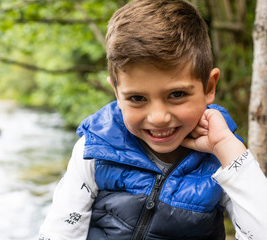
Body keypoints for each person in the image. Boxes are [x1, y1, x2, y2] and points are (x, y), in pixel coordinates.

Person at [38, 0, 267, 239]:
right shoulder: (95, 149)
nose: (158, 118)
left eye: (177, 94)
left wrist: (227, 148)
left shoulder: (221, 159)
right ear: (117, 93)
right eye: (137, 98)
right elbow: (59, 231)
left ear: (209, 87)